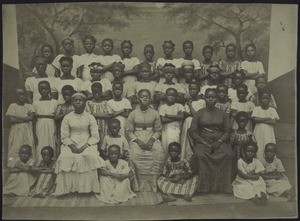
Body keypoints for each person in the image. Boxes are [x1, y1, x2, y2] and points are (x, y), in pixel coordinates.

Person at [54, 93, 105, 196]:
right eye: (75, 100)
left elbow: (95, 136)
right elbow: (64, 136)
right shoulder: (67, 117)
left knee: (91, 156)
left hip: (87, 143)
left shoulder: (90, 117)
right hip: (70, 143)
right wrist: (72, 146)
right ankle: (66, 189)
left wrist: (85, 146)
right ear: (72, 102)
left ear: (85, 102)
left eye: (80, 100)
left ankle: (88, 189)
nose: (78, 102)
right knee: (65, 157)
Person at [189, 88, 233, 193]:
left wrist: (220, 141)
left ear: (216, 99)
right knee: (200, 155)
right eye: (208, 97)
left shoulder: (223, 113)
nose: (210, 99)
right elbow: (193, 132)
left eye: (213, 97)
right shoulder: (199, 113)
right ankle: (204, 187)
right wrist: (203, 142)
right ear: (204, 98)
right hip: (203, 141)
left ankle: (224, 186)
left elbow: (227, 131)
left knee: (228, 154)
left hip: (219, 141)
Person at [125, 89, 165, 192]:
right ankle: (137, 185)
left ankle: (154, 185)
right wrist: (138, 141)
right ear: (138, 99)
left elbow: (158, 130)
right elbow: (129, 131)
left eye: (147, 96)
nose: (145, 98)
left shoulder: (155, 113)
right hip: (137, 136)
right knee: (134, 155)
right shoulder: (133, 114)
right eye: (142, 96)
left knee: (159, 154)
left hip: (151, 136)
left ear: (150, 99)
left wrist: (152, 140)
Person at [100, 118, 138, 191]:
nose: (114, 130)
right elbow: (102, 150)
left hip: (120, 157)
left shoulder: (122, 138)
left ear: (119, 128)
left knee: (130, 164)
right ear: (109, 129)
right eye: (112, 128)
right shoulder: (106, 138)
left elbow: (126, 150)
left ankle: (126, 185)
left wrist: (120, 156)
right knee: (105, 167)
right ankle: (110, 186)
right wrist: (108, 156)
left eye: (116, 128)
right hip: (109, 158)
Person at [5, 89, 36, 167]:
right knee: (15, 146)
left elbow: (31, 118)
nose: (22, 96)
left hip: (27, 130)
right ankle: (15, 165)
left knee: (28, 144)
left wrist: (16, 117)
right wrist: (25, 118)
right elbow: (11, 120)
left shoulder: (29, 106)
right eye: (19, 94)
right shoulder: (12, 106)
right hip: (16, 130)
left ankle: (28, 165)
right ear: (16, 96)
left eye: (23, 94)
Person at [33, 81, 58, 163]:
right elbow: (34, 119)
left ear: (49, 89)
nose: (43, 91)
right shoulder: (36, 103)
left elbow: (57, 118)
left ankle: (52, 165)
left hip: (51, 124)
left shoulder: (54, 102)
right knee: (40, 144)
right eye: (41, 89)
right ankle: (40, 164)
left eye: (45, 89)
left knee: (51, 142)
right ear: (38, 90)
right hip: (40, 126)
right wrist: (34, 133)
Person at [180, 82, 206, 161]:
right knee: (185, 141)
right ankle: (185, 161)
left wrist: (190, 106)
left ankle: (193, 161)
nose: (192, 91)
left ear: (198, 90)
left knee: (192, 142)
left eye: (194, 89)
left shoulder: (202, 102)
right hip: (186, 123)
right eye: (190, 89)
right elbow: (185, 114)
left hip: (195, 123)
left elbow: (196, 115)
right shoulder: (187, 102)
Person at [252, 90, 279, 161]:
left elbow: (273, 121)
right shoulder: (256, 108)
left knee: (268, 146)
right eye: (263, 98)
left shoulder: (272, 110)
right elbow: (255, 119)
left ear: (269, 99)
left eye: (267, 98)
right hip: (259, 131)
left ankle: (269, 165)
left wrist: (261, 119)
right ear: (259, 99)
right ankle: (259, 164)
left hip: (268, 132)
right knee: (259, 146)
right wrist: (267, 118)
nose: (265, 100)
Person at [159, 88, 185, 155]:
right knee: (166, 147)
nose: (171, 97)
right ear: (165, 96)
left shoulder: (179, 106)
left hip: (176, 129)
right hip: (166, 129)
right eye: (169, 95)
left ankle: (175, 163)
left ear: (176, 97)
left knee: (175, 146)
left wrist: (168, 116)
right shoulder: (163, 107)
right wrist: (176, 117)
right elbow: (163, 120)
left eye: (173, 95)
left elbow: (182, 116)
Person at [230, 111, 256, 176]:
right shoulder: (234, 133)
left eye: (244, 121)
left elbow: (254, 144)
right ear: (236, 121)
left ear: (247, 121)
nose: (242, 123)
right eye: (240, 121)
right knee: (236, 165)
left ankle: (246, 176)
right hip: (236, 153)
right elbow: (230, 144)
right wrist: (235, 142)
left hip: (246, 154)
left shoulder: (249, 133)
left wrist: (250, 140)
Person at [54, 85, 75, 154]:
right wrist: (66, 114)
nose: (66, 96)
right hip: (62, 130)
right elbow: (56, 117)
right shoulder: (60, 106)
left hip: (73, 130)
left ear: (72, 94)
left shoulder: (75, 105)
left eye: (68, 94)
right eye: (64, 95)